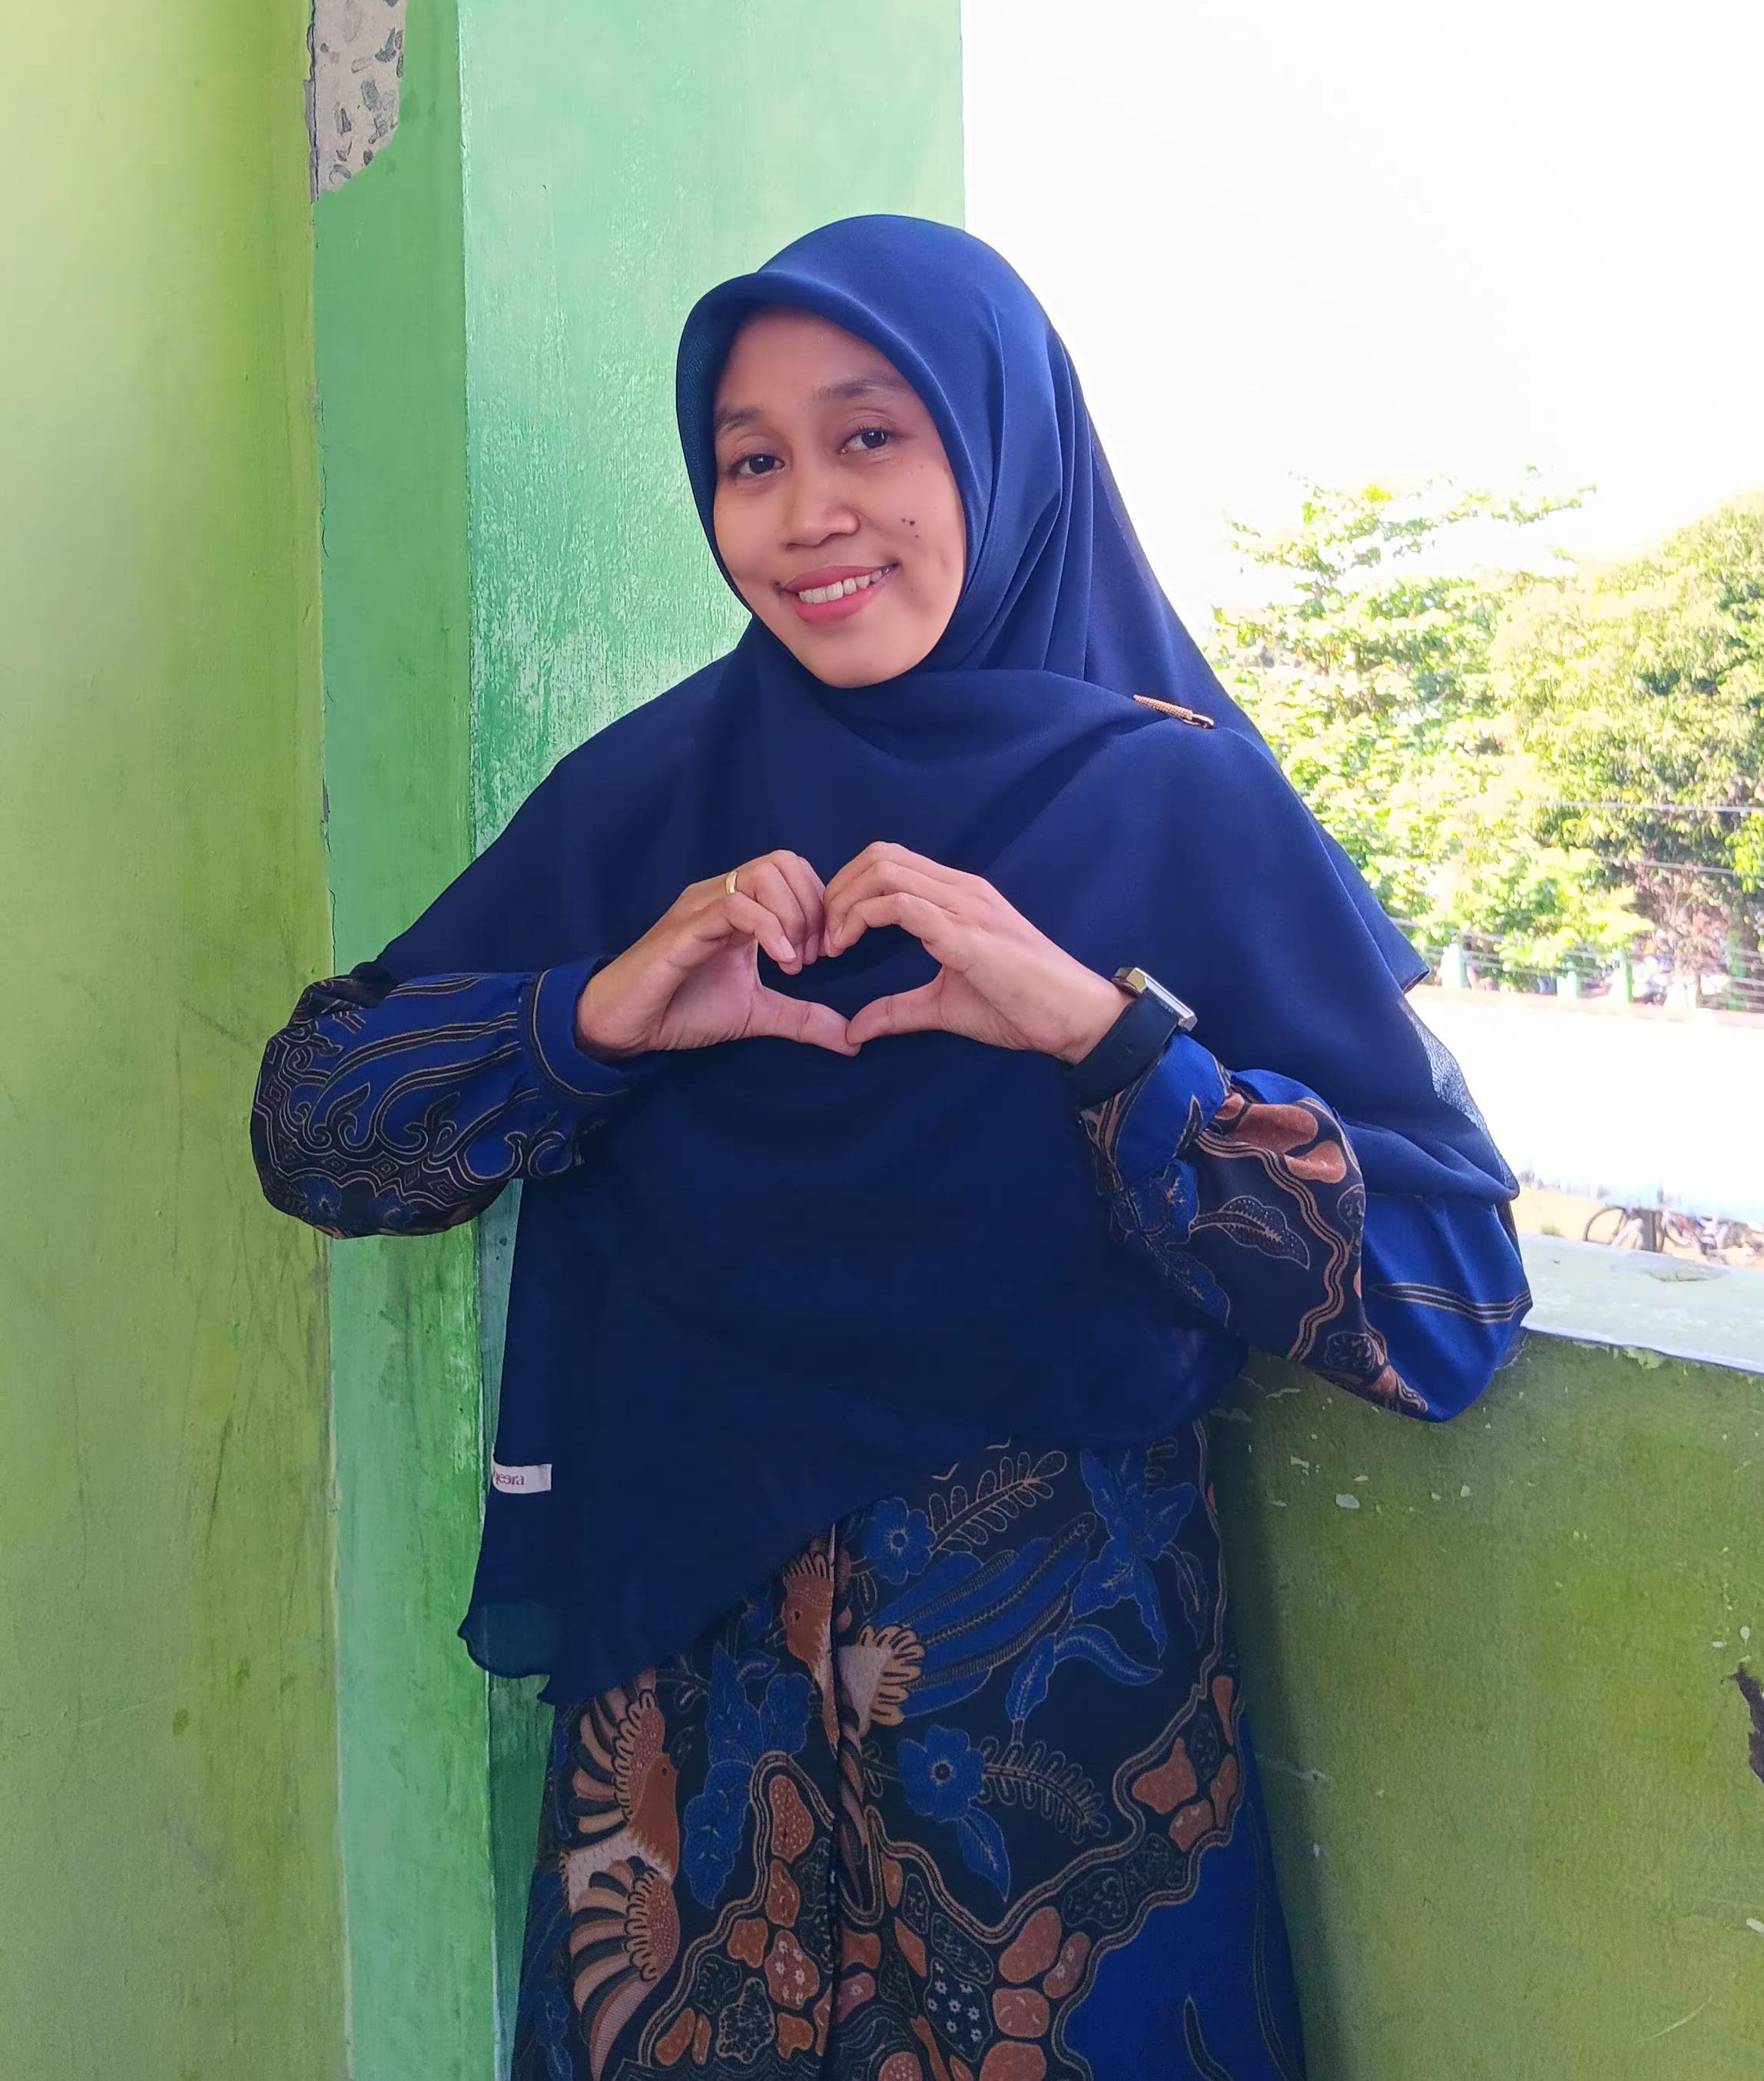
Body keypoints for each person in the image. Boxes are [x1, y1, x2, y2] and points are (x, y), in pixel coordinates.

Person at [253, 217, 1530, 2081]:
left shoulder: (1169, 801)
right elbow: (317, 1129)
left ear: (999, 447)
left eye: (869, 436)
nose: (804, 513)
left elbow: (1442, 1299)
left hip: (1056, 1789)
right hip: (684, 1772)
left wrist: (1109, 1039)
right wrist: (588, 1019)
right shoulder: (650, 803)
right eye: (748, 460)